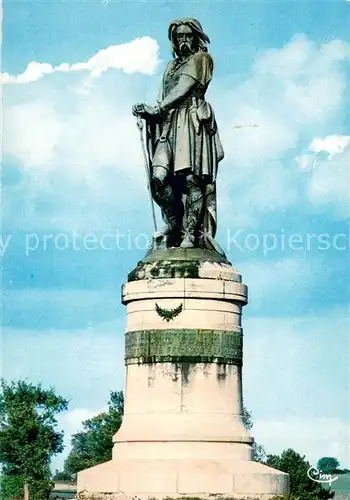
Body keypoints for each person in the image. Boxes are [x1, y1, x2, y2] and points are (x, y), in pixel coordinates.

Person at [132, 18, 224, 254]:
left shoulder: (202, 59)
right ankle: (173, 222)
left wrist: (158, 109)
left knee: (192, 179)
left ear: (196, 38)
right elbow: (166, 95)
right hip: (169, 125)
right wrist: (148, 112)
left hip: (191, 121)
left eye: (188, 36)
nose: (184, 40)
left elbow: (184, 88)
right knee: (158, 179)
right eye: (179, 36)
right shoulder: (170, 66)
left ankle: (190, 234)